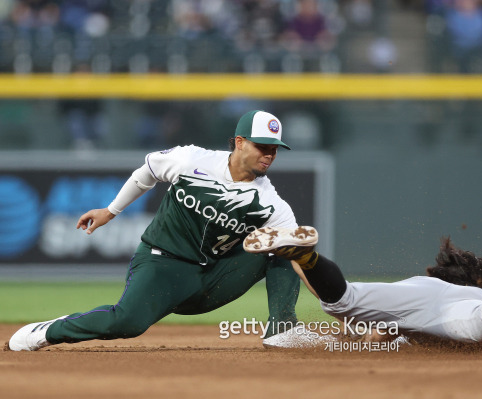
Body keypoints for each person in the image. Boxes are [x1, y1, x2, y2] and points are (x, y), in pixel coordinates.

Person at [8, 110, 301, 351]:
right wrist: (111, 211)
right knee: (125, 323)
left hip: (212, 279)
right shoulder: (192, 160)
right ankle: (47, 330)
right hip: (163, 265)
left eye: (274, 148)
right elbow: (148, 171)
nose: (269, 154)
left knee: (288, 245)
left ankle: (281, 331)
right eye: (262, 146)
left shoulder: (270, 203)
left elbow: (301, 259)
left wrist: (337, 300)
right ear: (239, 142)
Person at [243, 216, 482, 351]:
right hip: (469, 314)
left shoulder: (433, 287)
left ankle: (306, 257)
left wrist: (358, 335)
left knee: (345, 300)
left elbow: (380, 332)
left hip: (421, 294)